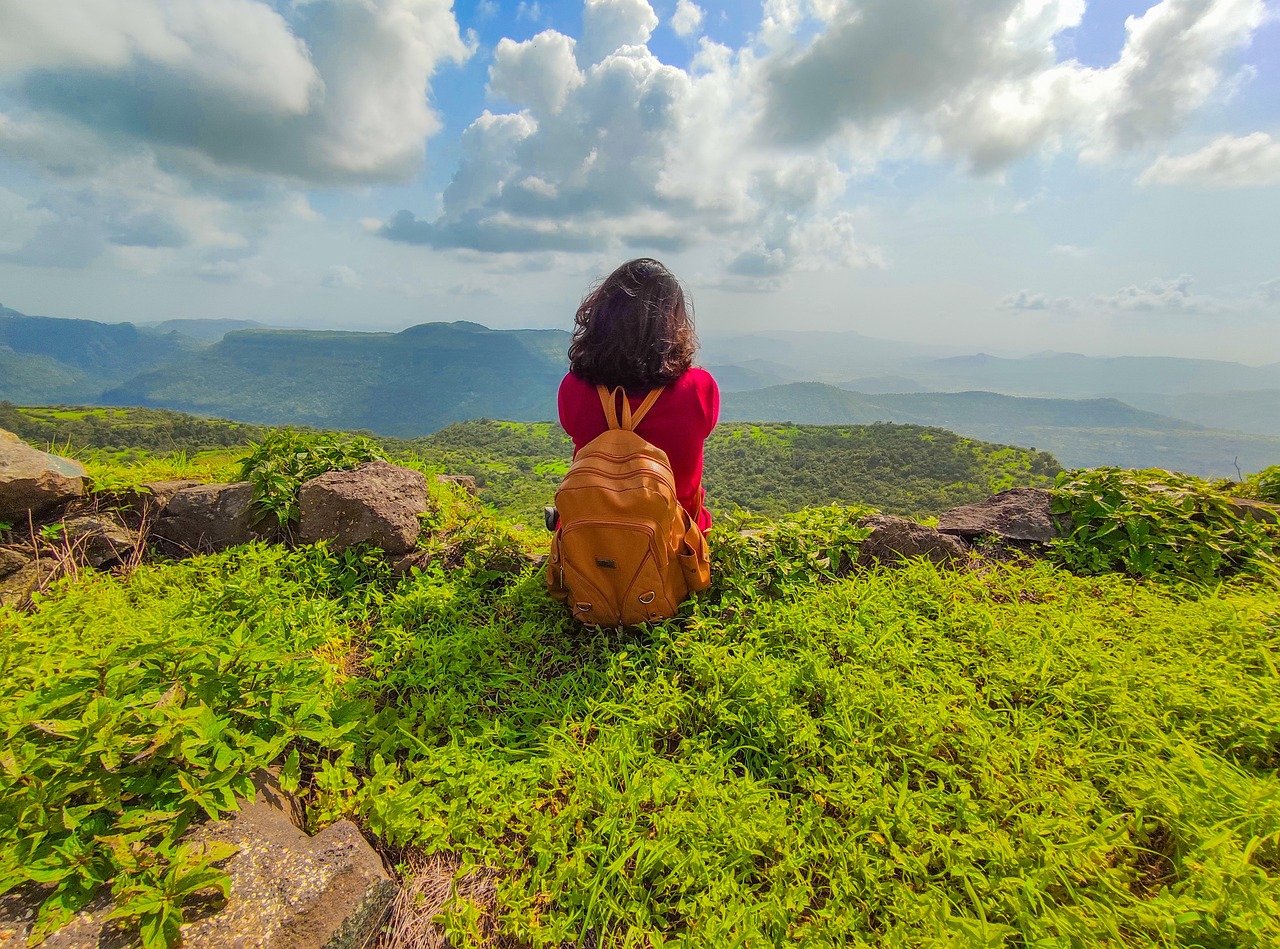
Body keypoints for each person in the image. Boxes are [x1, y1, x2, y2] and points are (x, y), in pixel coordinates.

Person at [556, 258, 720, 532]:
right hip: (672, 545)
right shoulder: (699, 388)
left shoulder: (574, 387)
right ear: (674, 322)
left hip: (589, 542)